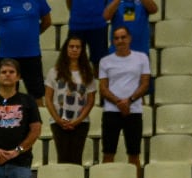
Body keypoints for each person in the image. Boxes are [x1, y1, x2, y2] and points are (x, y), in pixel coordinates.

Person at [97, 25, 150, 169]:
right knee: (108, 154)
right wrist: (119, 102)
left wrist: (129, 101)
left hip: (134, 111)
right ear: (113, 41)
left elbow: (145, 84)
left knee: (134, 155)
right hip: (111, 112)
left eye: (123, 37)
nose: (120, 41)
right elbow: (103, 87)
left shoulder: (141, 58)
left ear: (129, 38)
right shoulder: (105, 61)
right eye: (116, 38)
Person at [45, 36, 97, 166]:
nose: (74, 49)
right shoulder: (54, 72)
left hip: (81, 122)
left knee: (76, 159)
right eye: (71, 46)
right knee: (62, 159)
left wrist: (77, 121)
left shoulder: (87, 73)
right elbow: (48, 99)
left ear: (82, 50)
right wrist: (57, 119)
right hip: (58, 122)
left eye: (77, 47)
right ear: (66, 49)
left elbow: (90, 101)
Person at [0, 0, 52, 100]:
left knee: (36, 95)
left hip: (31, 55)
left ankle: (37, 115)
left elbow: (47, 22)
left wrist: (31, 35)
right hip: (6, 56)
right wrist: (6, 37)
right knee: (7, 94)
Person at [66, 0, 111, 67]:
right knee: (74, 60)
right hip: (76, 24)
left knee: (99, 62)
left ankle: (98, 77)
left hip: (98, 24)